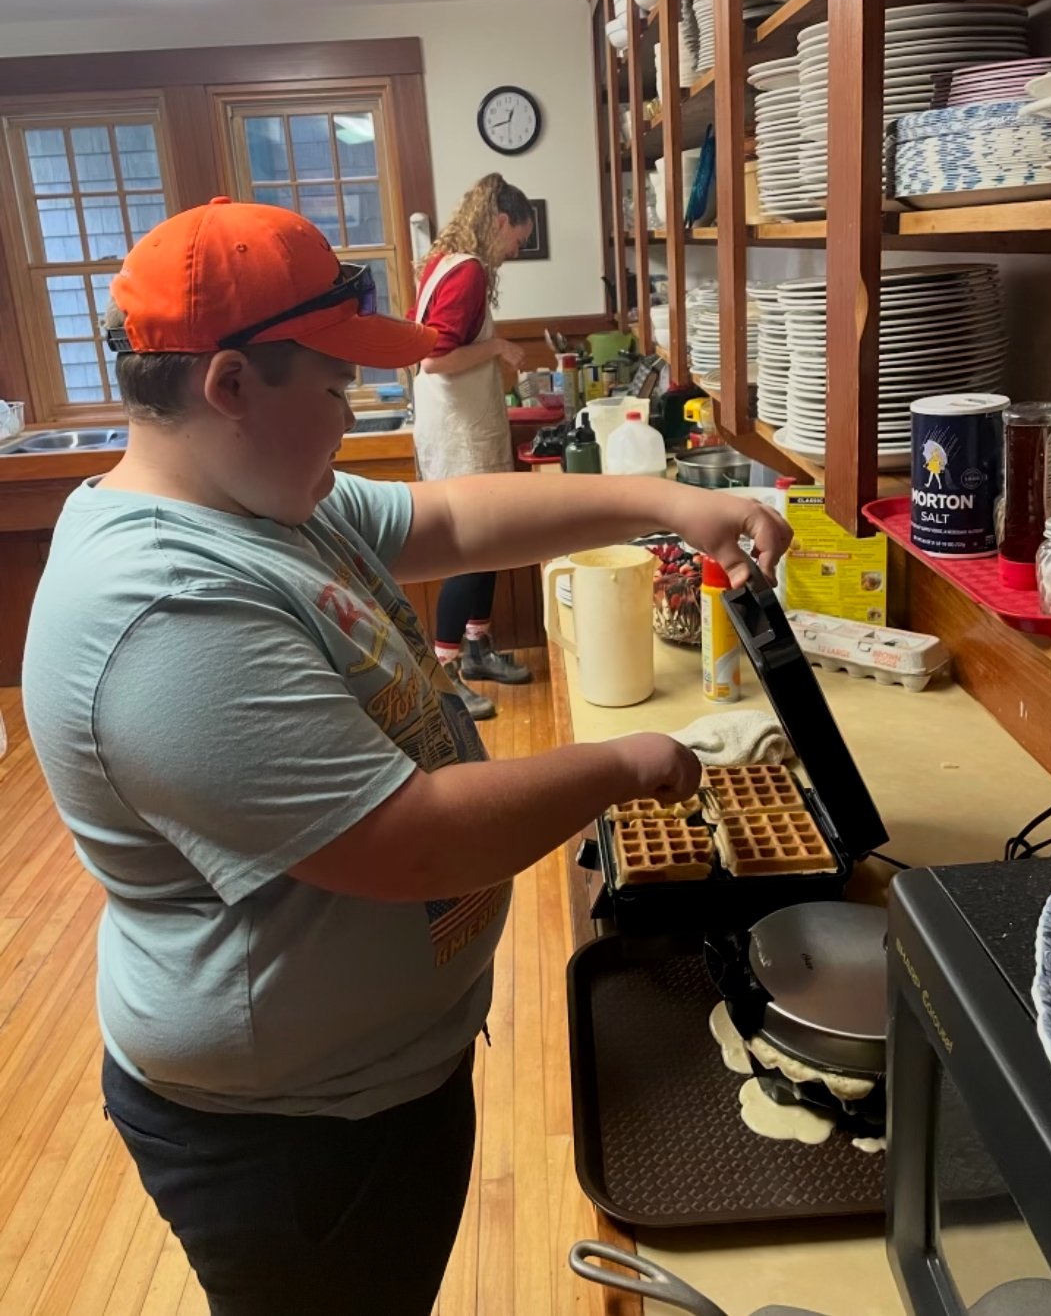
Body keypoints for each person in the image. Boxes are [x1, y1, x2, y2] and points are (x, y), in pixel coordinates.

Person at [22, 197, 791, 1316]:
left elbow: (452, 523)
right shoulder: (163, 609)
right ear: (230, 386)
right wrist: (628, 764)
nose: (353, 409)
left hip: (372, 1077)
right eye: (334, 384)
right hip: (288, 1133)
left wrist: (669, 503)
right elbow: (409, 845)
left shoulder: (266, 500)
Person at [409, 173, 533, 721]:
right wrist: (500, 347)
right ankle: (445, 673)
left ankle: (478, 649)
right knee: (470, 545)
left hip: (460, 422)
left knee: (491, 539)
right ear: (500, 221)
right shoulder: (467, 272)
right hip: (459, 429)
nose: (516, 251)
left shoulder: (449, 262)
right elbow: (436, 359)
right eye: (518, 239)